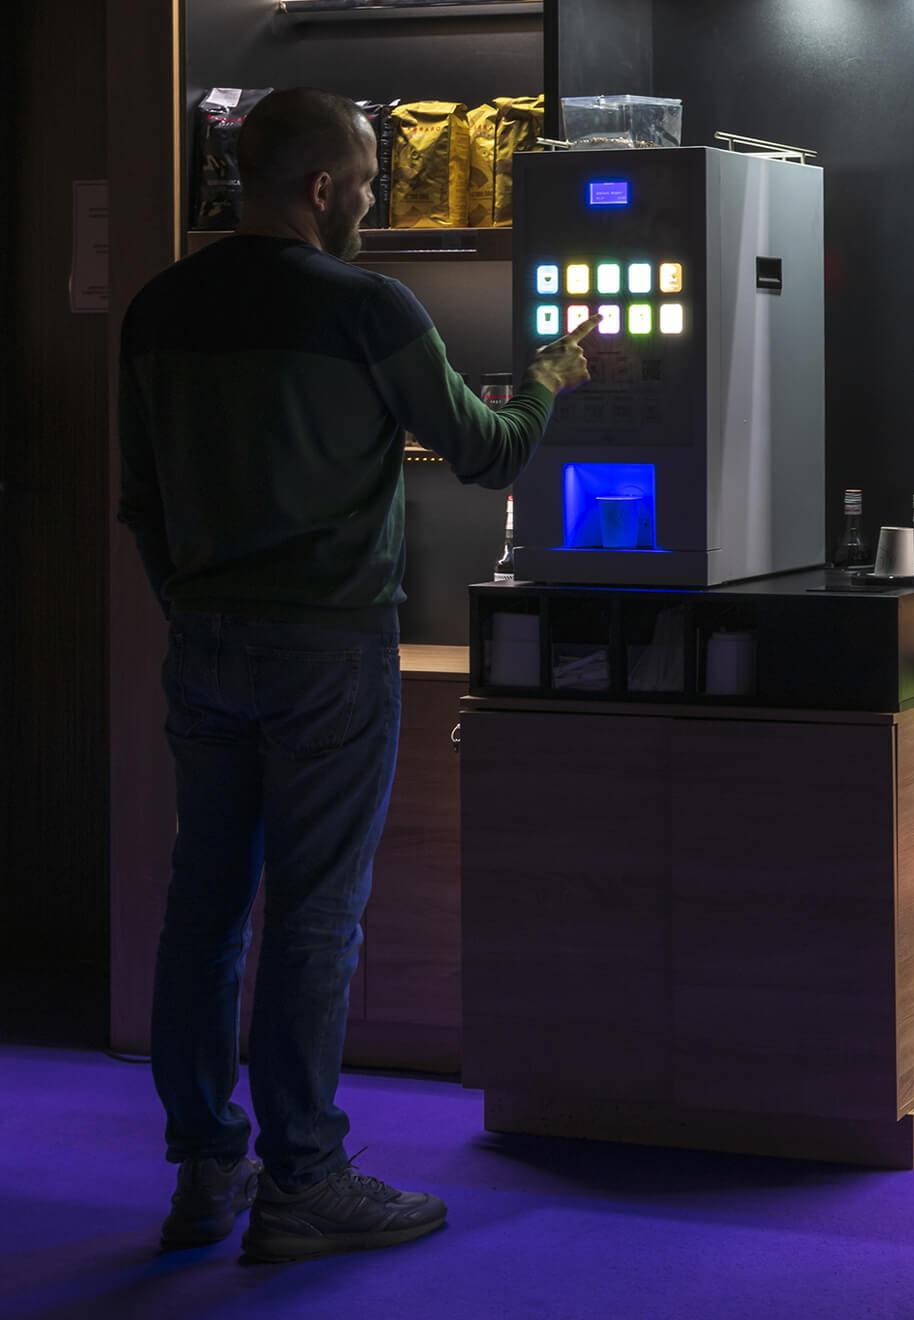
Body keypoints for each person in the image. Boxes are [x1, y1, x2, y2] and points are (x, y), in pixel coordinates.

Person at [117, 88, 596, 1261]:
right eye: (369, 183)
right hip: (329, 647)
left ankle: (205, 1167)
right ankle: (305, 1181)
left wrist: (192, 606)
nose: (376, 203)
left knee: (203, 908)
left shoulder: (159, 307)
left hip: (207, 641)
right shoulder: (368, 306)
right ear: (321, 187)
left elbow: (139, 501)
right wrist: (551, 375)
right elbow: (484, 456)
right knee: (317, 919)